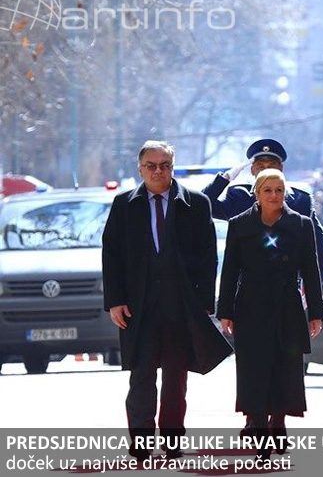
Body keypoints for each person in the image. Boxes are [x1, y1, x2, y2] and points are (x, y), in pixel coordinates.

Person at [102, 140, 233, 461]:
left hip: (181, 306)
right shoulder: (124, 205)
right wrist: (115, 300)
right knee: (141, 376)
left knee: (177, 378)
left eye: (164, 165)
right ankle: (141, 444)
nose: (158, 171)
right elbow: (112, 254)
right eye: (151, 166)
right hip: (139, 306)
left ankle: (173, 442)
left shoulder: (196, 204)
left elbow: (207, 257)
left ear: (172, 167)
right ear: (140, 169)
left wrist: (205, 303)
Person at [217, 168, 323, 460]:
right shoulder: (240, 225)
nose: (274, 196)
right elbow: (229, 271)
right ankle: (259, 428)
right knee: (254, 370)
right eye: (268, 190)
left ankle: (278, 422)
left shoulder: (300, 225)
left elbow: (311, 271)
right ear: (257, 193)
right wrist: (224, 310)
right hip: (251, 307)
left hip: (287, 306)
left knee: (284, 368)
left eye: (279, 190)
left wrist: (317, 311)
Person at [202, 138, 323, 278]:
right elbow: (202, 207)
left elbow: (319, 248)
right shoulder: (239, 197)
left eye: (271, 166)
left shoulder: (300, 201)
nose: (266, 172)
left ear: (281, 169)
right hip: (247, 288)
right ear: (252, 170)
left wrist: (309, 287)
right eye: (261, 167)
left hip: (288, 288)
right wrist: (226, 178)